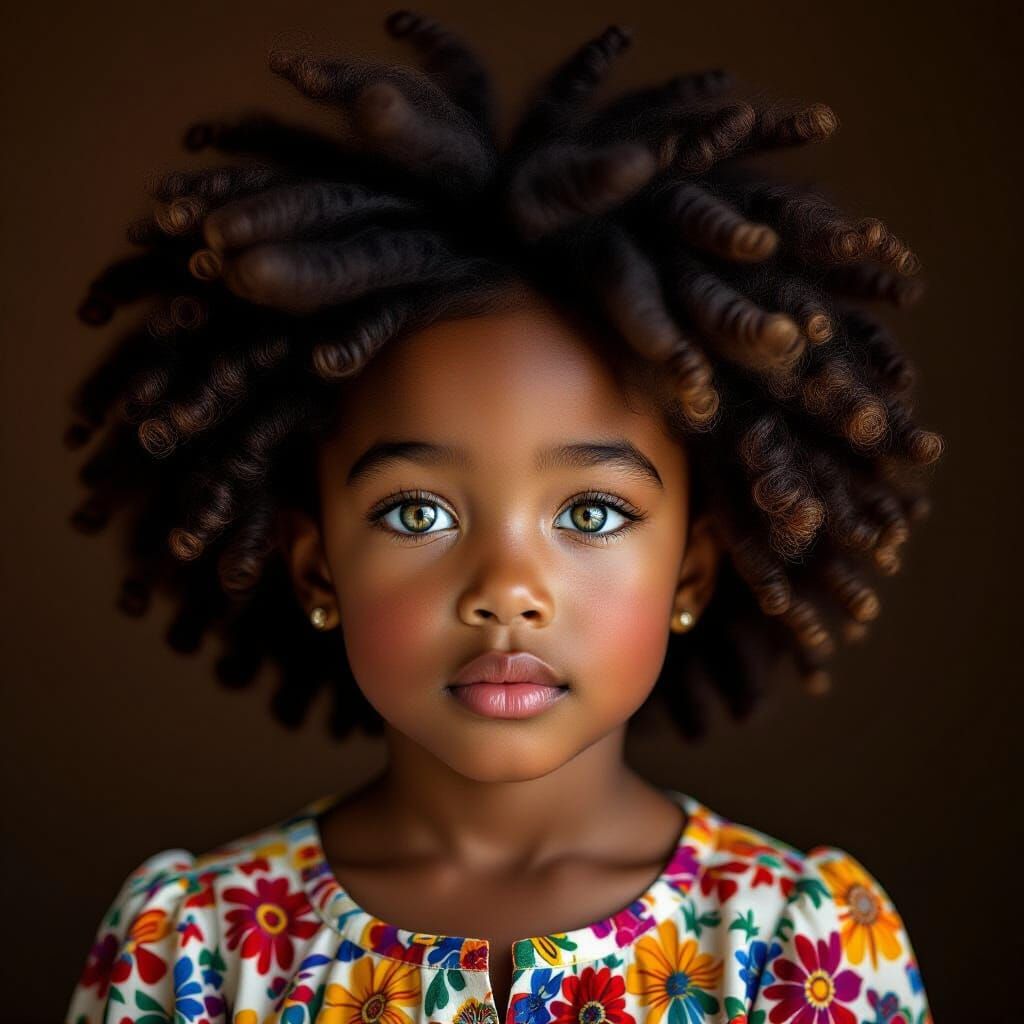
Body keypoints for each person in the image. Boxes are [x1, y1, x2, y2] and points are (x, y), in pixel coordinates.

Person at [63, 10, 939, 1023]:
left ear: (692, 570)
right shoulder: (191, 947)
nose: (506, 590)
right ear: (316, 569)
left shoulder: (803, 940)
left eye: (595, 512)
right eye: (419, 510)